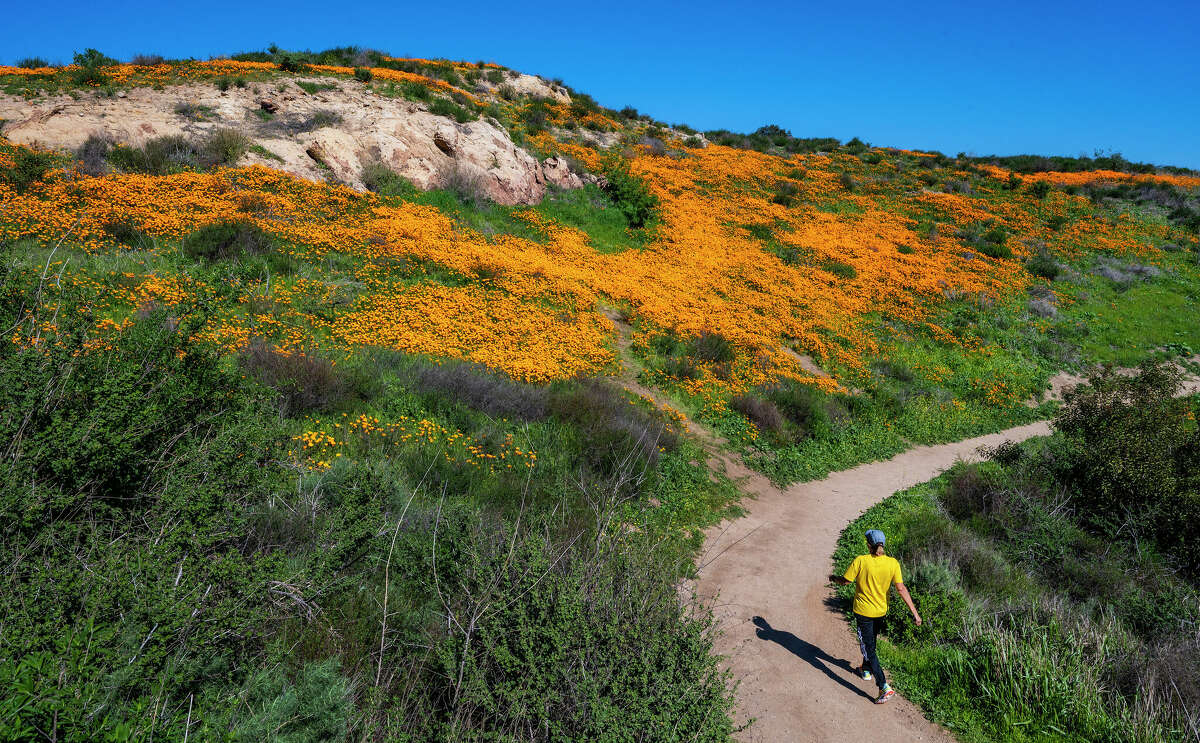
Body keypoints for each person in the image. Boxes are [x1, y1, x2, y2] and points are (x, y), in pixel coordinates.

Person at [829, 529, 921, 704]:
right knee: (871, 641)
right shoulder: (893, 563)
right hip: (880, 612)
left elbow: (846, 581)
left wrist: (834, 578)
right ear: (883, 545)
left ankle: (884, 686)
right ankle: (865, 669)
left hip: (863, 612)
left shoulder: (861, 561)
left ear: (868, 544)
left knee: (869, 647)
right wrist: (915, 613)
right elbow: (901, 589)